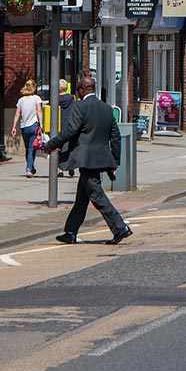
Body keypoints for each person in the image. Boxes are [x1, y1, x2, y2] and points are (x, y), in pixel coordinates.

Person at [38, 76, 132, 245]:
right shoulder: (106, 108)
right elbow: (115, 136)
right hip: (100, 159)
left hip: (86, 159)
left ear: (82, 90)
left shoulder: (80, 106)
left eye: (78, 90)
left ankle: (120, 227)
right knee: (82, 198)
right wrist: (115, 161)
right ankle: (71, 232)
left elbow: (70, 131)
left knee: (97, 196)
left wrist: (50, 145)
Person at [16, 84, 46, 177]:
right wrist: (41, 124)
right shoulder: (36, 98)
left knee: (28, 149)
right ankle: (29, 169)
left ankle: (31, 167)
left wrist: (13, 127)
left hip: (24, 127)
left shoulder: (21, 100)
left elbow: (17, 114)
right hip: (33, 126)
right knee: (31, 149)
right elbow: (39, 111)